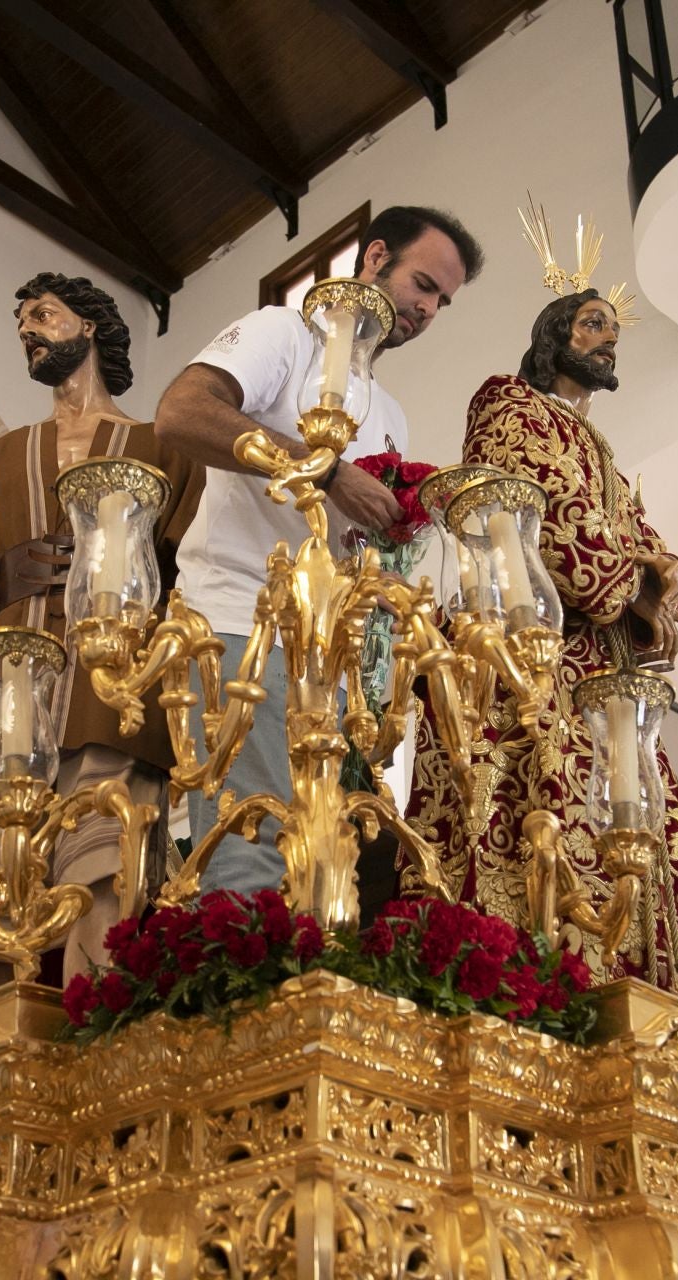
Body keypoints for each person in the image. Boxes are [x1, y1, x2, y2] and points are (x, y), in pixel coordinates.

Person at [405, 262, 678, 1010]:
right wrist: (632, 579)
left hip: (603, 669)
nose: (607, 341)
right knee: (541, 810)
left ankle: (657, 1000)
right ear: (554, 334)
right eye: (593, 325)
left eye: (613, 332)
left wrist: (660, 575)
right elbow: (551, 522)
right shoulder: (508, 403)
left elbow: (644, 541)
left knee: (631, 824)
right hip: (531, 652)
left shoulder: (605, 455)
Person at [155, 205, 484, 895]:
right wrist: (328, 471)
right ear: (375, 258)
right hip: (243, 621)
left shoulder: (388, 412)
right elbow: (182, 412)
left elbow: (347, 533)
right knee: (251, 854)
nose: (428, 309)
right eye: (424, 284)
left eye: (443, 302)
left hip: (331, 660)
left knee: (318, 868)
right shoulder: (285, 333)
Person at [0, 273, 203, 999]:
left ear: (91, 328)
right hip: (11, 696)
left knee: (104, 874)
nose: (28, 328)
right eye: (22, 319)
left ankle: (91, 1035)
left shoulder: (160, 446)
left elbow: (195, 577)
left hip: (116, 694)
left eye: (44, 315)